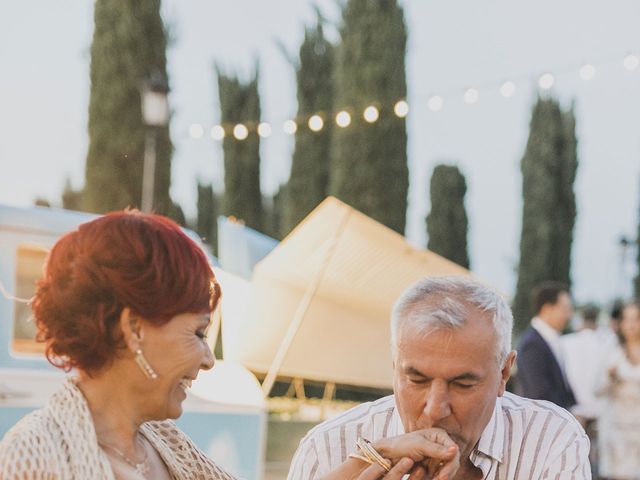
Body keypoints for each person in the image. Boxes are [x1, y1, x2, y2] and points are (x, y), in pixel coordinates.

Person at [0, 211, 460, 480]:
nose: (208, 358)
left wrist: (382, 455)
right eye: (198, 333)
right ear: (134, 328)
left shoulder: (163, 443)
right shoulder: (36, 455)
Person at [289, 276, 591, 480]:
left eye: (462, 384)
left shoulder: (549, 440)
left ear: (503, 373)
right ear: (395, 367)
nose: (435, 408)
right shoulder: (327, 447)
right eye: (417, 380)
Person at [596, 300, 640, 480]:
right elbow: (596, 389)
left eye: (636, 319)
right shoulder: (612, 352)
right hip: (617, 430)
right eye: (626, 319)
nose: (631, 325)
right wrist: (610, 378)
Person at [516, 281, 577, 409]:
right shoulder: (531, 344)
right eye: (565, 309)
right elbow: (538, 394)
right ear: (547, 309)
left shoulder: (551, 339)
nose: (569, 315)